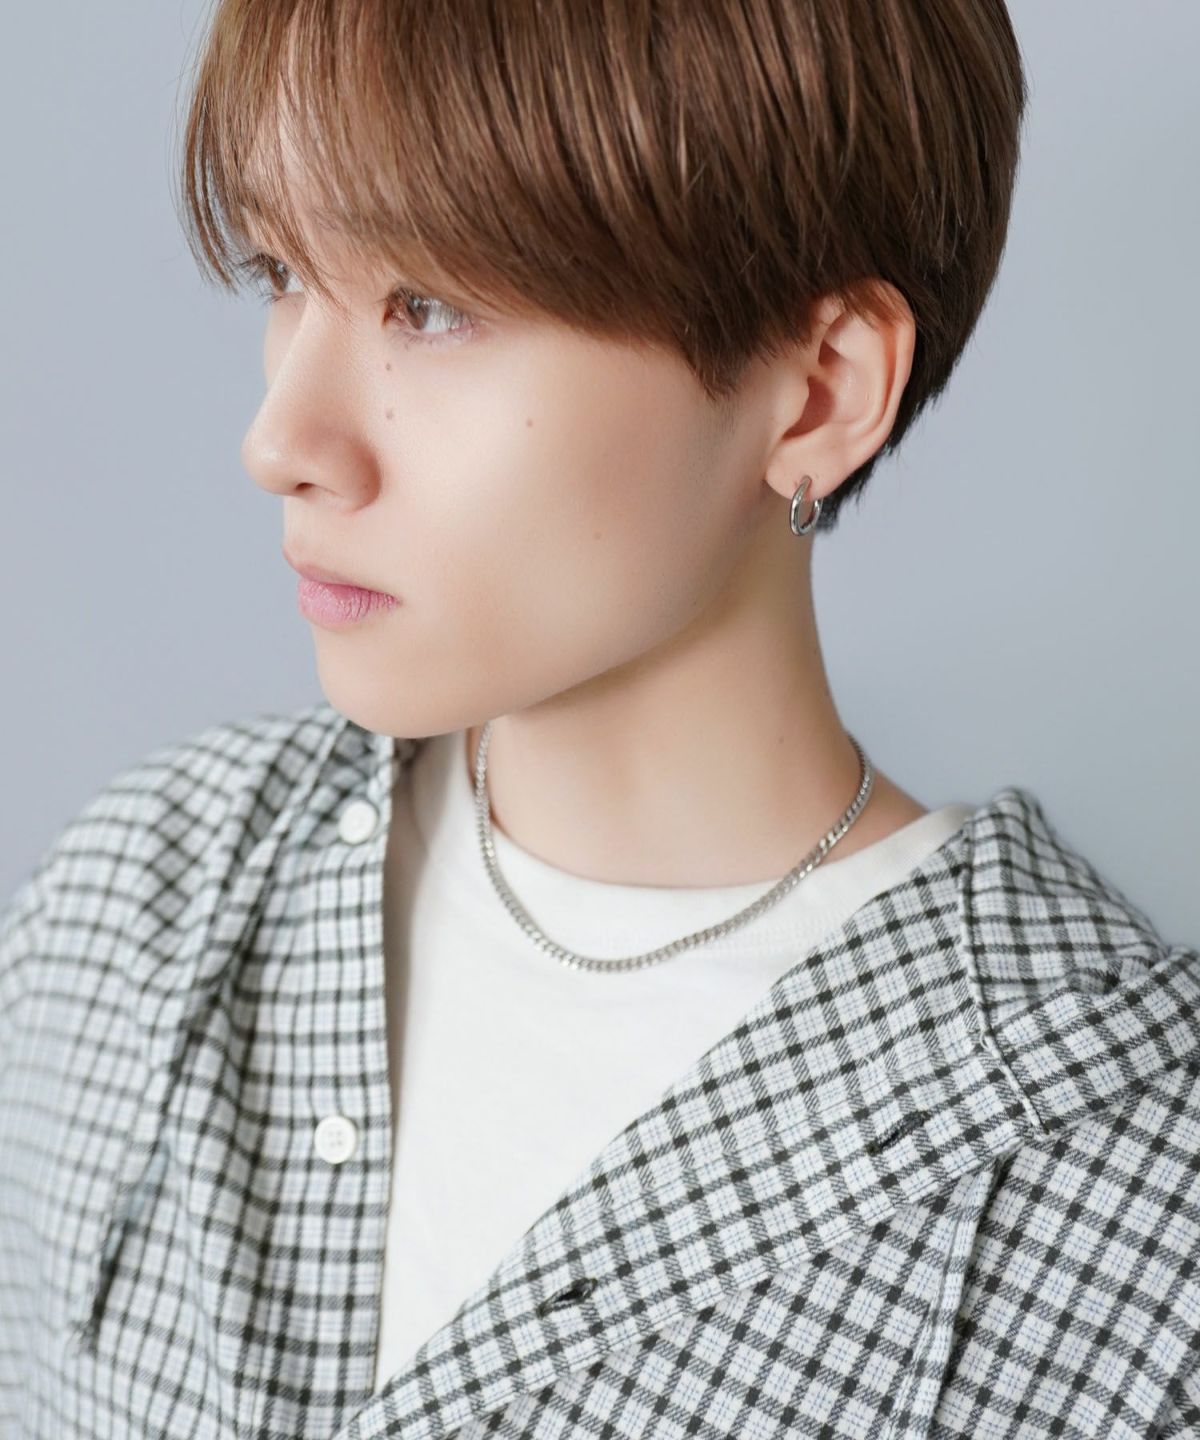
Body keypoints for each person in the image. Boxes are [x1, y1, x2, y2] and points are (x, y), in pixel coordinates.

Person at [1, 1, 1197, 1436]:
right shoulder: (137, 906)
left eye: (430, 307)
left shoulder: (1134, 1207)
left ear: (819, 392)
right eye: (282, 273)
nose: (281, 441)